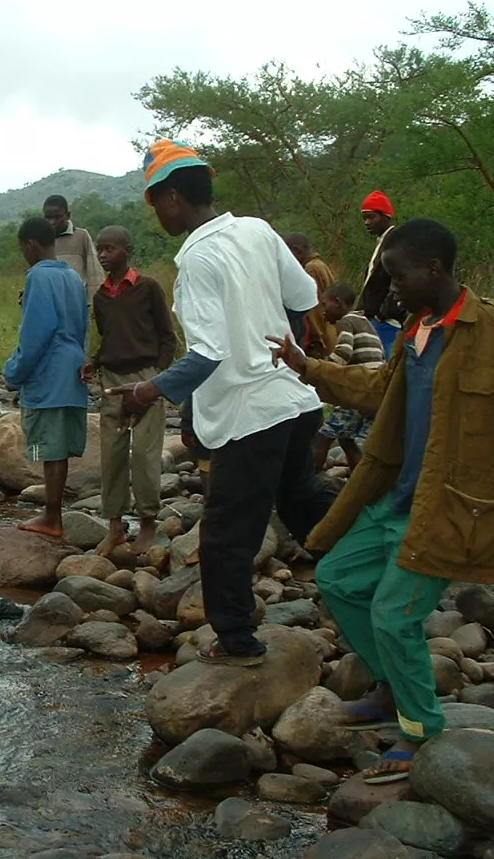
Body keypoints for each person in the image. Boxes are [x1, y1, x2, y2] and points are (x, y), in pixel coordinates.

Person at [268, 218, 494, 784]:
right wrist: (308, 367)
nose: (391, 290)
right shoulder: (418, 327)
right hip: (394, 499)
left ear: (433, 268)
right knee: (336, 577)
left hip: (451, 509)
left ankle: (420, 730)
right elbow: (378, 391)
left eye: (398, 276)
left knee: (393, 615)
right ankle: (392, 689)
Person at [111, 140, 337, 666]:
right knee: (303, 500)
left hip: (250, 416)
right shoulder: (258, 230)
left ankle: (236, 642)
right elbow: (304, 300)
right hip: (296, 403)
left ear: (170, 198)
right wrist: (284, 350)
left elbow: (210, 353)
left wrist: (150, 391)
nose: (157, 213)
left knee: (228, 534)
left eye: (153, 202)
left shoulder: (198, 258)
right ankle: (367, 573)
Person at [80, 225, 177, 557]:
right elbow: (110, 337)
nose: (104, 255)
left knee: (146, 453)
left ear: (127, 251)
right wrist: (95, 362)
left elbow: (167, 335)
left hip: (145, 376)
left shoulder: (147, 287)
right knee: (113, 454)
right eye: (100, 250)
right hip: (111, 380)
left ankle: (148, 523)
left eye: (110, 249)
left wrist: (159, 376)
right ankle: (115, 527)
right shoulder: (101, 296)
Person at [3, 216, 89, 538]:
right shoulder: (72, 276)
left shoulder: (37, 276)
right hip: (72, 369)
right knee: (61, 447)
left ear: (30, 244)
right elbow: (81, 326)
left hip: (48, 372)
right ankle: (53, 514)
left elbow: (36, 333)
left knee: (49, 447)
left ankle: (52, 517)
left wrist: (14, 371)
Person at [313, 283, 385, 472]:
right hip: (373, 387)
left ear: (337, 303)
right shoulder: (364, 322)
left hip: (358, 386)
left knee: (324, 437)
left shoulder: (345, 321)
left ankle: (308, 481)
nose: (322, 312)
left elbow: (343, 354)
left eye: (323, 304)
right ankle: (357, 482)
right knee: (346, 440)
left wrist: (320, 368)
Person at [359, 191, 406, 356]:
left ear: (386, 216)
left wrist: (382, 314)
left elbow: (399, 280)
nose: (367, 222)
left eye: (372, 217)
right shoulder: (383, 242)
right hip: (375, 319)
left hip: (387, 322)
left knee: (386, 370)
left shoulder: (395, 242)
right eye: (365, 218)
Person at [283, 232, 337, 359]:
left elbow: (315, 308)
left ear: (296, 250)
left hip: (320, 337)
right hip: (329, 331)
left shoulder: (310, 269)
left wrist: (316, 337)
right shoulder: (320, 264)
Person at [43, 195, 103, 299]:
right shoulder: (42, 240)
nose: (52, 222)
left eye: (57, 217)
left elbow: (94, 272)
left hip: (78, 300)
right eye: (48, 218)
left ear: (68, 215)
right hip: (52, 300)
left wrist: (95, 303)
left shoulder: (81, 236)